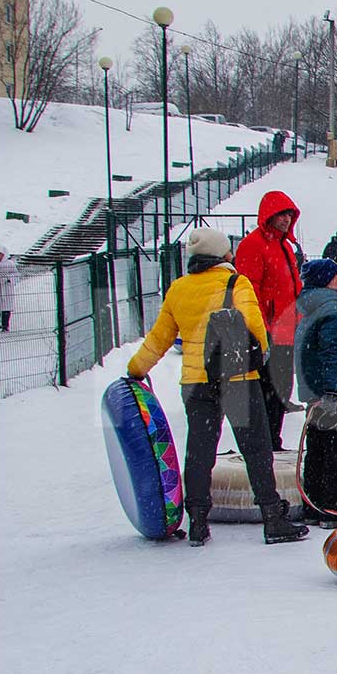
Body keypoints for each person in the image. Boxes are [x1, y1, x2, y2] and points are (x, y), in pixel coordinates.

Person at [125, 223, 307, 547]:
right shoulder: (236, 283)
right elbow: (256, 332)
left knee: (199, 452)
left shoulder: (178, 289)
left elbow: (159, 339)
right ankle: (272, 517)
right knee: (256, 450)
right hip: (237, 380)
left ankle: (197, 521)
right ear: (223, 253)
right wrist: (260, 356)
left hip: (196, 383)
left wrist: (136, 369)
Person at [233, 190, 306, 450]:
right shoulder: (253, 245)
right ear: (268, 216)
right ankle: (263, 445)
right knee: (267, 392)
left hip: (285, 331)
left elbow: (292, 289)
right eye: (281, 214)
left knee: (281, 392)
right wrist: (259, 330)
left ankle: (273, 440)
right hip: (266, 333)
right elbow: (247, 291)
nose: (286, 219)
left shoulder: (285, 246)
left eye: (289, 214)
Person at [294, 259, 337, 520]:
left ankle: (314, 503)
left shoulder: (311, 310)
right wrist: (332, 392)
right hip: (335, 396)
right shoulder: (332, 311)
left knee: (318, 450)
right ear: (325, 280)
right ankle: (332, 506)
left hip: (315, 395)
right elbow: (332, 354)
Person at [0, 246, 16, 331]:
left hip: (6, 287)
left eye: (0, 254)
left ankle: (5, 325)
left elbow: (15, 274)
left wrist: (8, 279)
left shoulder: (9, 263)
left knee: (6, 306)